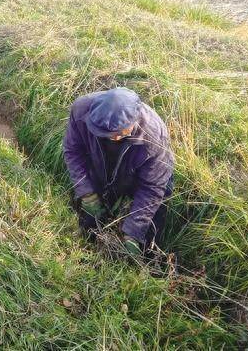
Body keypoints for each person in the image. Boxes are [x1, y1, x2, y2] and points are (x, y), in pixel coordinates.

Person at [62, 87, 174, 256]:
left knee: (147, 230)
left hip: (144, 176)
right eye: (105, 134)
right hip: (101, 163)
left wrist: (133, 232)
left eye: (118, 133)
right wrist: (86, 192)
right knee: (92, 211)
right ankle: (88, 246)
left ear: (134, 121)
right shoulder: (81, 111)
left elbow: (152, 188)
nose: (113, 138)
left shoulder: (154, 135)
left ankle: (146, 263)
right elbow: (73, 151)